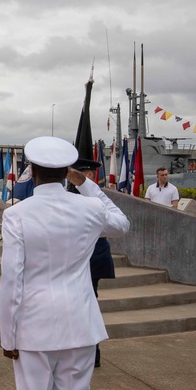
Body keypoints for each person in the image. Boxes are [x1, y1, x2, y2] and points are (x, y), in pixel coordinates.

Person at [0, 136, 130, 390]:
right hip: (79, 323)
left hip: (35, 327)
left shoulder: (18, 213)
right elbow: (121, 224)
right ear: (67, 172)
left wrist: (8, 336)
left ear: (32, 171)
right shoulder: (89, 208)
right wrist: (86, 183)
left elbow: (13, 282)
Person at [73, 158, 114, 369]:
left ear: (88, 176)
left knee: (88, 304)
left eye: (79, 175)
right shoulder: (74, 196)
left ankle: (92, 354)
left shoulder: (96, 199)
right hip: (82, 257)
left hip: (93, 257)